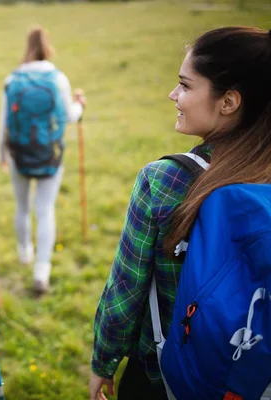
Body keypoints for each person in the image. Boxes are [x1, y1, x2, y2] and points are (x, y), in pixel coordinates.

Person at [89, 26, 271, 400]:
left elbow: (125, 293)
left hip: (164, 376)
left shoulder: (165, 181)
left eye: (186, 86)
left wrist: (103, 362)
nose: (173, 95)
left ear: (229, 101)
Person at [0, 26, 86, 297]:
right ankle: (41, 271)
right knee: (45, 210)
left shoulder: (12, 80)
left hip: (19, 154)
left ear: (27, 48)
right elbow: (70, 116)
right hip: (50, 153)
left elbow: (3, 124)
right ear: (48, 48)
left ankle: (25, 252)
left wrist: (1, 154)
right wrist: (80, 104)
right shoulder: (57, 78)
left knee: (22, 207)